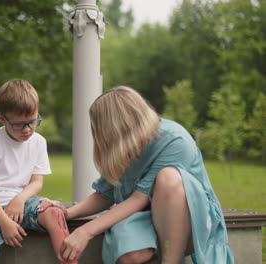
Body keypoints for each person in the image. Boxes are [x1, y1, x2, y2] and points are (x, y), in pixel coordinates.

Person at [40, 86, 234, 264]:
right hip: (145, 215)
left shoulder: (174, 140)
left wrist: (86, 231)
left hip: (187, 214)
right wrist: (67, 212)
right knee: (130, 256)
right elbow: (105, 194)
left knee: (168, 177)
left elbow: (139, 199)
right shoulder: (125, 147)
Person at [0, 79, 76, 264]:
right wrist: (4, 222)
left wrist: (19, 200)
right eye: (20, 124)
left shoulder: (39, 142)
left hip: (24, 200)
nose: (28, 129)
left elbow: (37, 183)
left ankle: (69, 262)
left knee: (54, 212)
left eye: (33, 121)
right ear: (2, 118)